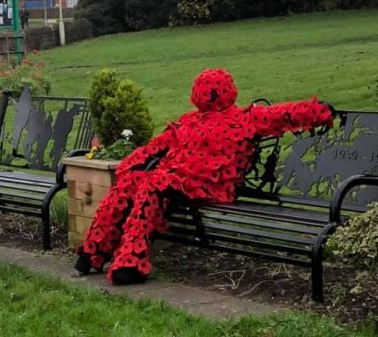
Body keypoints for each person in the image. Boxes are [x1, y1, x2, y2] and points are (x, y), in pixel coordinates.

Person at [75, 68, 334, 285]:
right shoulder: (189, 121)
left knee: (152, 183)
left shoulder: (246, 118)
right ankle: (92, 251)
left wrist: (318, 111)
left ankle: (130, 261)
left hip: (209, 186)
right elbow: (157, 145)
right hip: (176, 179)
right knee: (131, 183)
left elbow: (282, 115)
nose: (208, 95)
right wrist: (129, 165)